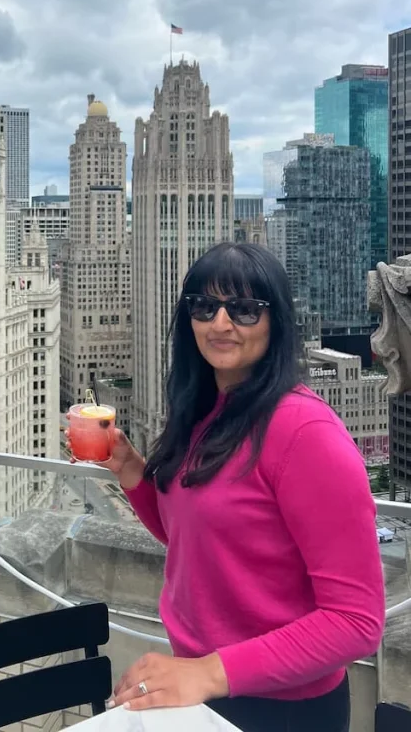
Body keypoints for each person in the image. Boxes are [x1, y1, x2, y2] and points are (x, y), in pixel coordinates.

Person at [67, 242, 385, 732]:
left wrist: (208, 673)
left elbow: (357, 622)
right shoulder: (205, 409)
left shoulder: (305, 434)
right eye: (203, 306)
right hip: (205, 690)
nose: (220, 323)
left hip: (282, 710)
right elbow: (194, 536)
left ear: (275, 321)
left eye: (243, 309)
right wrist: (130, 466)